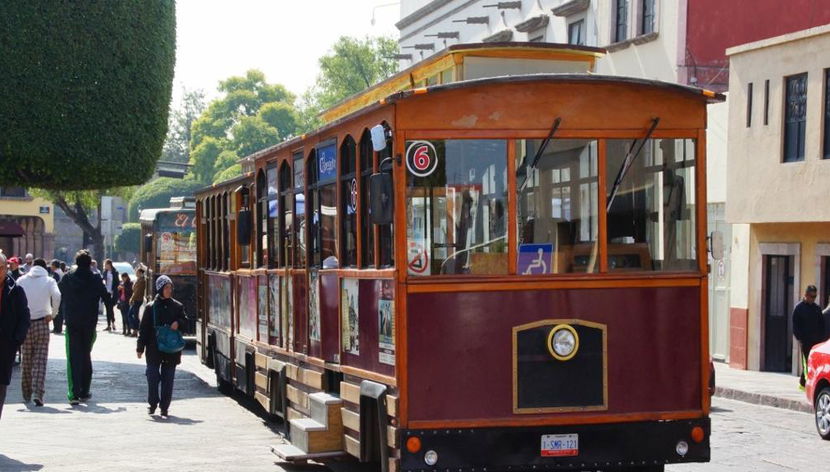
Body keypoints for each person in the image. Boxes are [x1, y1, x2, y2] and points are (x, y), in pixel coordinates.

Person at [58, 250, 114, 405]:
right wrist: (111, 317)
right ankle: (84, 390)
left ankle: (74, 393)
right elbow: (107, 298)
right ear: (90, 264)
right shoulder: (96, 279)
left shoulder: (69, 277)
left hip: (72, 323)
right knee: (86, 354)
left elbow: (58, 292)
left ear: (76, 263)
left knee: (73, 356)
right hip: (89, 323)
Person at [137, 275, 186, 419]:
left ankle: (164, 407)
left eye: (170, 287)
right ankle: (152, 402)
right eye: (166, 288)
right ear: (160, 289)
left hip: (171, 350)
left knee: (168, 378)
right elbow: (144, 328)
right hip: (153, 349)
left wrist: (178, 323)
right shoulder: (151, 307)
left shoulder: (177, 306)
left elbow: (186, 321)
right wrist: (140, 347)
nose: (169, 290)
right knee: (152, 375)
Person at [16, 258, 60, 406]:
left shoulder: (21, 280)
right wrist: (53, 314)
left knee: (26, 360)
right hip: (42, 322)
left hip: (25, 324)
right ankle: (38, 393)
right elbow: (58, 296)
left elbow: (14, 299)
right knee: (40, 361)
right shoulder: (49, 281)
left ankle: (26, 393)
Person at [0, 253, 30, 419]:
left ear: (6, 268)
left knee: (0, 388)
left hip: (5, 346)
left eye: (1, 268)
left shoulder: (16, 290)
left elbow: (24, 317)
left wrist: (16, 340)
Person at [793, 285, 826, 389]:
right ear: (806, 295)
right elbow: (795, 325)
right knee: (806, 362)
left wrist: (821, 339)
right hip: (805, 342)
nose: (813, 298)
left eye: (815, 296)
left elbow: (821, 325)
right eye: (811, 296)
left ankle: (804, 382)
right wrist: (800, 338)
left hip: (816, 342)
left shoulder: (817, 309)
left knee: (814, 364)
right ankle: (805, 384)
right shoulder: (799, 308)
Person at [101, 259, 119, 332]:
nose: (105, 266)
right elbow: (103, 280)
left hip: (112, 292)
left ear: (109, 265)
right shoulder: (105, 272)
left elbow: (117, 282)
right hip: (106, 292)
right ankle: (109, 325)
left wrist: (113, 290)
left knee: (110, 308)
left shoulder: (115, 272)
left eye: (106, 265)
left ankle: (113, 323)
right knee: (107, 308)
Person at [129, 267, 147, 337]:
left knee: (133, 315)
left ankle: (136, 329)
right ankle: (136, 329)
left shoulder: (142, 281)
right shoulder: (138, 280)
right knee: (133, 315)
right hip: (136, 299)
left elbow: (137, 292)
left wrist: (132, 299)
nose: (136, 273)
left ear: (140, 273)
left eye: (137, 272)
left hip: (137, 300)